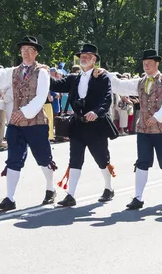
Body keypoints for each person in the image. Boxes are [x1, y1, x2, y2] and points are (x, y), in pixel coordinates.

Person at [0, 36, 57, 211]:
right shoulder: (12, 71)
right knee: (13, 160)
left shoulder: (42, 72)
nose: (26, 53)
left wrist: (22, 113)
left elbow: (41, 97)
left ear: (36, 52)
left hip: (36, 123)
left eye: (30, 50)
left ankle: (50, 188)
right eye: (23, 50)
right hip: (16, 124)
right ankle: (10, 198)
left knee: (44, 158)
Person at [106, 49, 162, 210]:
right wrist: (106, 74)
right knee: (142, 161)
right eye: (144, 63)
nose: (146, 65)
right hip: (144, 128)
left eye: (149, 62)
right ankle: (138, 196)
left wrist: (158, 117)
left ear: (157, 63)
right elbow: (119, 86)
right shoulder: (139, 82)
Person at [50, 44, 118, 206]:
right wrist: (43, 72)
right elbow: (55, 85)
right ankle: (70, 194)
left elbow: (106, 99)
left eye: (87, 55)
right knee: (75, 159)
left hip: (96, 125)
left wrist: (96, 112)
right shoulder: (74, 78)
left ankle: (108, 188)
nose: (83, 57)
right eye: (82, 55)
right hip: (78, 125)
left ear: (94, 59)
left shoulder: (102, 77)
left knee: (102, 158)